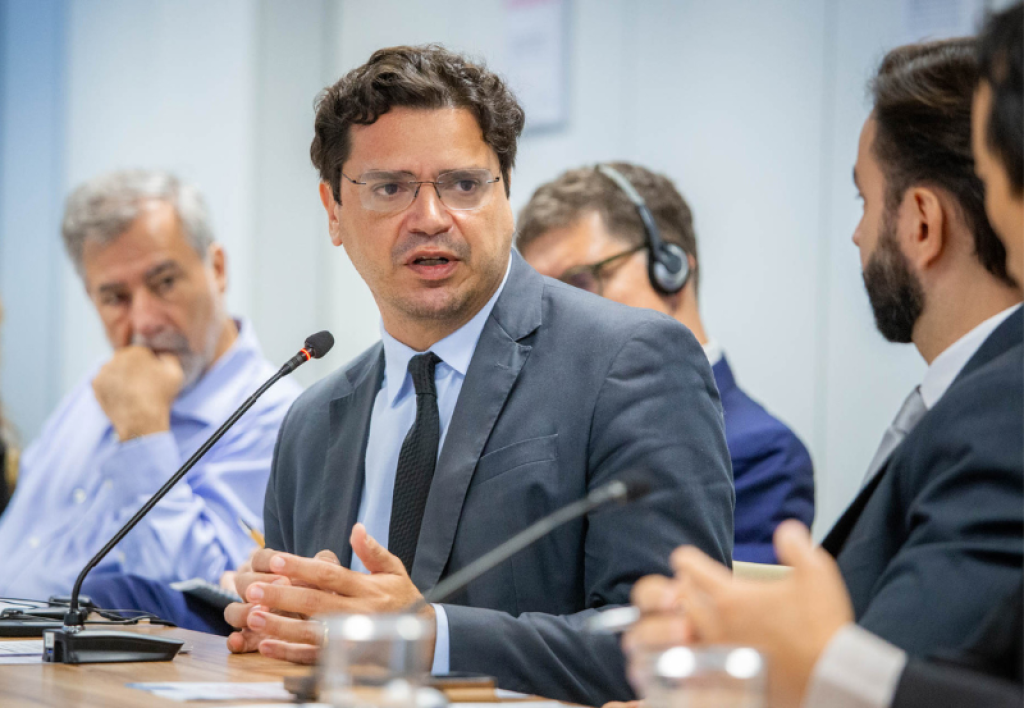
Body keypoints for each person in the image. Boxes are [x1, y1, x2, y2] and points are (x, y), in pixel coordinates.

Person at [222, 44, 734, 705]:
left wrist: (428, 638)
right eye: (390, 188)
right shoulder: (312, 421)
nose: (431, 218)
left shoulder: (630, 362)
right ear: (333, 212)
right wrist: (275, 620)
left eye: (463, 185)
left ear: (505, 191)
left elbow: (678, 645)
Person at [623, 29, 1024, 708]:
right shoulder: (968, 401)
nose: (858, 234)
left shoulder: (999, 410)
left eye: (865, 201)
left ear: (922, 223)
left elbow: (897, 670)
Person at [0, 170, 302, 606]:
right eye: (115, 298)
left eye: (165, 283)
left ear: (217, 269)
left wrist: (143, 432)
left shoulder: (281, 419)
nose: (144, 322)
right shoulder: (102, 381)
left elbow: (213, 606)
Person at [517, 163, 814, 563]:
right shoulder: (534, 439)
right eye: (544, 297)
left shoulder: (763, 454)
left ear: (671, 270)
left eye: (580, 281)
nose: (558, 314)